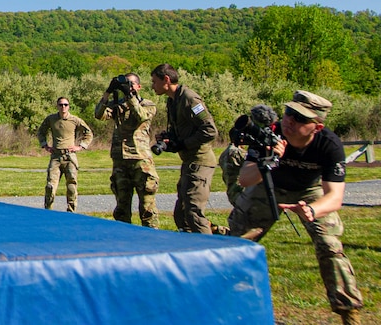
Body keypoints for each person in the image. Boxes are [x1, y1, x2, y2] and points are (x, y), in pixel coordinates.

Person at [228, 91, 364, 325]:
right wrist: (269, 161)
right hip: (268, 184)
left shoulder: (329, 145)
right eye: (289, 113)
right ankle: (225, 303)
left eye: (300, 119)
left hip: (308, 192)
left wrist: (312, 211)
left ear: (316, 127)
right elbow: (245, 179)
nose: (289, 121)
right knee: (236, 244)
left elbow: (334, 197)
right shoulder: (269, 134)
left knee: (330, 245)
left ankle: (348, 311)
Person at [150, 63, 218, 234]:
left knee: (193, 213)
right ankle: (196, 247)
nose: (152, 86)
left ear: (166, 79)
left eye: (154, 81)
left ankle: (210, 252)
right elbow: (182, 130)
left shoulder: (189, 98)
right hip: (189, 162)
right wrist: (170, 139)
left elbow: (210, 130)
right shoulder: (173, 100)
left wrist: (184, 144)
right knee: (181, 216)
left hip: (200, 161)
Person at [94, 73, 159, 227]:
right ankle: (125, 238)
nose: (127, 87)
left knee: (147, 205)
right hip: (120, 160)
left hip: (140, 159)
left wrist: (130, 95)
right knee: (122, 206)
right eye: (125, 84)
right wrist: (108, 92)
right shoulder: (118, 104)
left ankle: (152, 237)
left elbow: (141, 116)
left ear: (138, 86)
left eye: (130, 84)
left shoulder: (147, 104)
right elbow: (99, 115)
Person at [37, 97, 94, 212]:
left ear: (69, 106)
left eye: (65, 105)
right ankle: (48, 210)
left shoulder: (75, 120)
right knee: (50, 185)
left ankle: (71, 211)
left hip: (70, 156)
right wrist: (45, 145)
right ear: (57, 106)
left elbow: (88, 133)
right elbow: (41, 132)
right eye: (61, 105)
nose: (63, 107)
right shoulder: (51, 119)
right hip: (56, 156)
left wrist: (81, 146)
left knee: (72, 185)